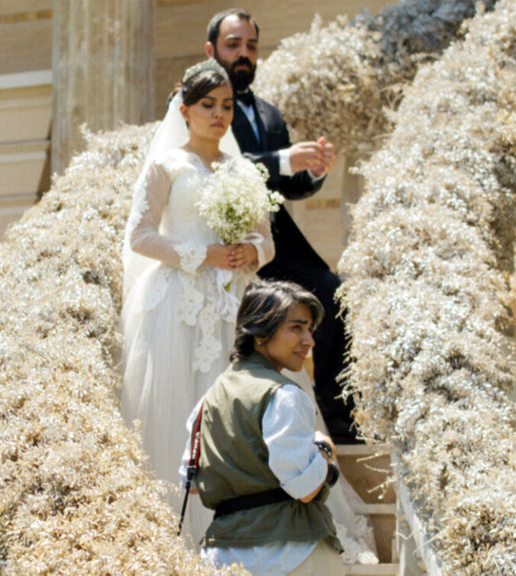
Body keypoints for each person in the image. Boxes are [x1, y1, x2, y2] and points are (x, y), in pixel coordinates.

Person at [120, 60, 275, 541]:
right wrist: (203, 254)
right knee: (177, 405)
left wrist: (250, 251)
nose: (219, 114)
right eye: (208, 105)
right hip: (177, 304)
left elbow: (267, 241)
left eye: (227, 106)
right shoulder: (166, 165)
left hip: (233, 303)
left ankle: (247, 523)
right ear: (184, 110)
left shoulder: (244, 171)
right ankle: (175, 530)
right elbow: (140, 237)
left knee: (238, 404)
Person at [205, 9, 358, 443]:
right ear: (211, 50)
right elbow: (220, 162)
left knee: (333, 291)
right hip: (219, 240)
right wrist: (284, 159)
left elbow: (289, 184)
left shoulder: (269, 114)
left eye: (251, 46)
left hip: (275, 244)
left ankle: (339, 417)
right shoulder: (200, 104)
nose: (243, 54)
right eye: (233, 45)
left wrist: (312, 170)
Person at [180, 280, 344, 576]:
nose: (309, 340)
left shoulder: (208, 401)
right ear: (259, 333)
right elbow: (305, 489)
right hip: (292, 555)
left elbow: (190, 482)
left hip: (222, 559)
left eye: (309, 329)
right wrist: (323, 449)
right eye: (297, 328)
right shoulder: (284, 396)